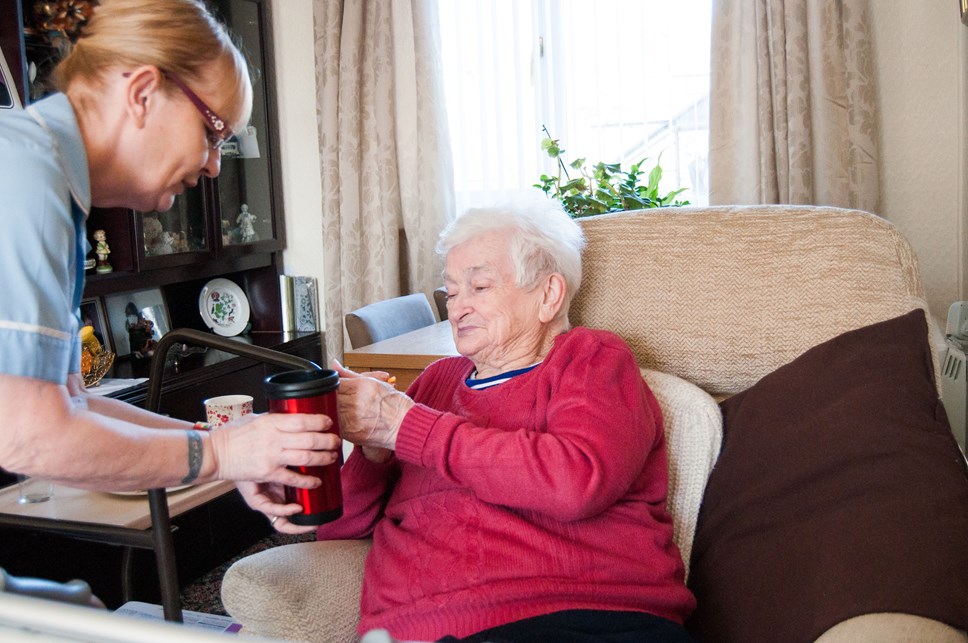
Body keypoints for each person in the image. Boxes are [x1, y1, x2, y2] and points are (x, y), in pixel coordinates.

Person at [299, 200, 697, 642]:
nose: (458, 309)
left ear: (549, 295)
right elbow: (336, 530)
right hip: (416, 629)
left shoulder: (590, 360)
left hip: (578, 618)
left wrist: (404, 426)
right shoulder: (435, 382)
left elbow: (575, 482)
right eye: (450, 293)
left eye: (480, 287)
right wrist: (373, 449)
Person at [0, 0, 338, 518]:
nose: (214, 166)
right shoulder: (26, 179)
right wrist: (221, 453)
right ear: (141, 94)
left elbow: (73, 406)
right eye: (211, 132)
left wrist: (226, 448)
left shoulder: (50, 182)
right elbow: (32, 437)